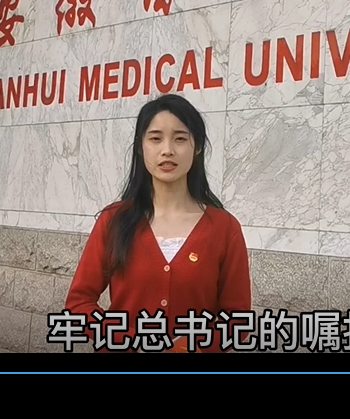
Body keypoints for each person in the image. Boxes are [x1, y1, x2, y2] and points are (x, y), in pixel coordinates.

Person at [64, 94, 252, 353]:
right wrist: (129, 340)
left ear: (197, 147)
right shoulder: (114, 221)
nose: (167, 150)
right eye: (155, 138)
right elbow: (78, 303)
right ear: (141, 147)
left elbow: (237, 319)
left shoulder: (224, 228)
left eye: (180, 139)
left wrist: (187, 348)